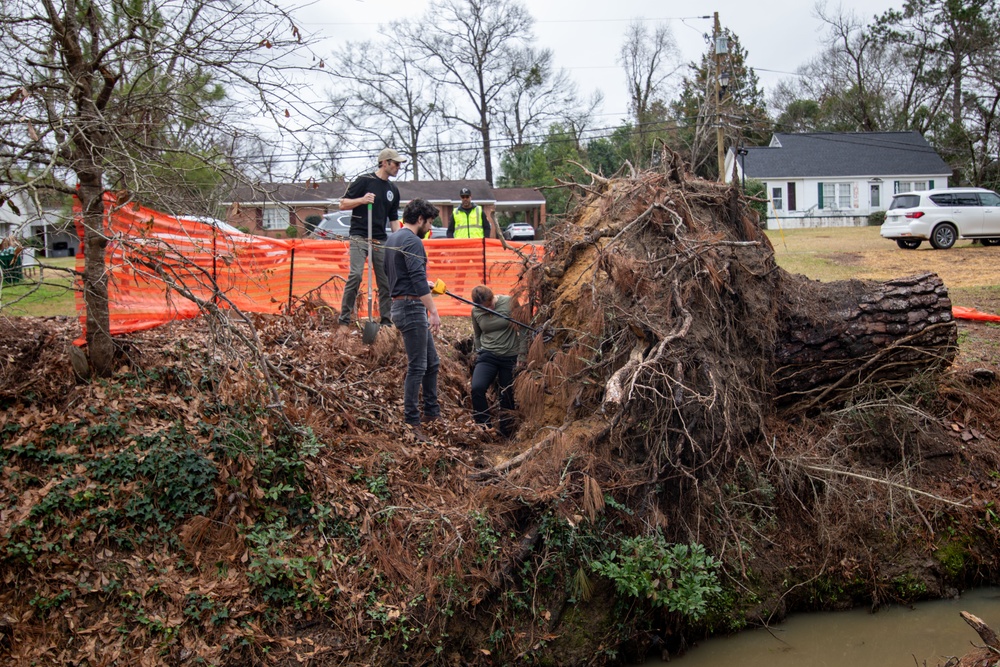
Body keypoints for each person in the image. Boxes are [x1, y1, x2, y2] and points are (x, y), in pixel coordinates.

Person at [385, 198, 442, 437]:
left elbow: (402, 273)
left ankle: (432, 412)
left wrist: (424, 286)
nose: (430, 227)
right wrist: (434, 312)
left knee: (432, 362)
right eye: (429, 222)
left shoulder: (394, 238)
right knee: (418, 365)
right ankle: (412, 421)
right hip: (410, 307)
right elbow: (417, 280)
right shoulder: (413, 241)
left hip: (401, 303)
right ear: (420, 219)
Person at [338, 148, 405, 327]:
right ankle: (344, 320)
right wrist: (362, 200)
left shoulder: (393, 189)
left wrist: (397, 241)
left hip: (380, 239)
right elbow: (343, 204)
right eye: (396, 163)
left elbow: (393, 219)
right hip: (359, 235)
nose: (398, 167)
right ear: (385, 162)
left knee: (386, 280)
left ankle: (386, 322)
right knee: (356, 275)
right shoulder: (364, 181)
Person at [469, 285, 523, 437]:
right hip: (488, 355)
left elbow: (523, 328)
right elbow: (477, 335)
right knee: (477, 388)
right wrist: (479, 352)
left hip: (510, 355)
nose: (489, 308)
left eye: (491, 304)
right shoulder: (476, 311)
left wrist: (522, 355)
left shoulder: (509, 302)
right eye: (485, 308)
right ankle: (484, 427)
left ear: (493, 297)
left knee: (506, 394)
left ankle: (507, 431)